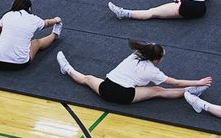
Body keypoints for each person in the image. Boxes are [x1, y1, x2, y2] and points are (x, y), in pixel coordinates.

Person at [57, 40, 211, 106]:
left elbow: (148, 46)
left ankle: (67, 68)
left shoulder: (136, 54)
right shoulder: (153, 71)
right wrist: (198, 81)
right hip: (124, 95)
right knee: (158, 90)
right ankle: (192, 91)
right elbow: (175, 82)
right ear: (156, 59)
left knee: (86, 78)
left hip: (106, 88)